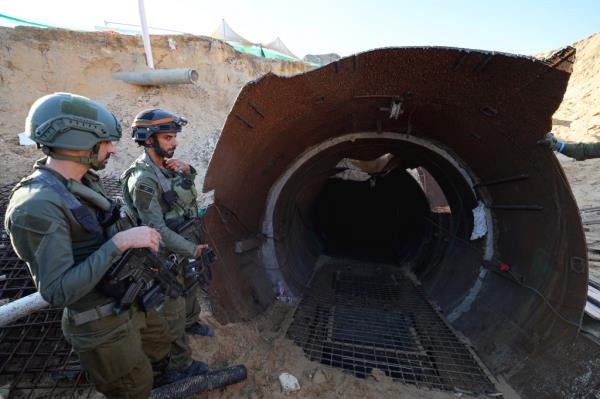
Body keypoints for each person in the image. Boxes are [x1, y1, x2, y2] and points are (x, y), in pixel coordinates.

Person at [4, 93, 174, 398]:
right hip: (101, 325)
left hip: (129, 298)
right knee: (133, 387)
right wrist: (120, 244)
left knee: (158, 351)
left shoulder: (83, 181)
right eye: (106, 142)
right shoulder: (36, 207)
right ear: (78, 143)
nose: (113, 148)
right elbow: (57, 291)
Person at [121, 108, 214, 380]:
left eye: (174, 137)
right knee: (171, 312)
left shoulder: (167, 166)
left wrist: (190, 170)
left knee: (190, 286)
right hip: (164, 255)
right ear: (149, 140)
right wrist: (191, 249)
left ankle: (192, 321)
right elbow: (156, 229)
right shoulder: (144, 180)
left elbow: (185, 198)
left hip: (183, 242)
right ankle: (181, 365)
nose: (174, 143)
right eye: (168, 138)